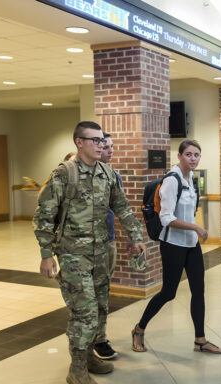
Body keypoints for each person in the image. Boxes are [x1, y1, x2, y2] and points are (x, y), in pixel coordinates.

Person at [33, 121, 145, 384]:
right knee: (84, 313)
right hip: (73, 256)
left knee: (101, 308)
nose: (101, 145)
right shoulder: (64, 175)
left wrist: (136, 236)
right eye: (94, 140)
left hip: (101, 252)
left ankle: (91, 356)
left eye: (102, 140)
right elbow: (44, 216)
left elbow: (122, 207)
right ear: (79, 142)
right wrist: (46, 254)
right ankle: (77, 368)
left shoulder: (106, 173)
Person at [132, 139, 221, 355]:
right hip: (173, 244)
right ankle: (139, 329)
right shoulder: (172, 180)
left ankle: (200, 340)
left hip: (191, 245)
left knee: (198, 291)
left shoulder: (191, 178)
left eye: (196, 155)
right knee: (168, 292)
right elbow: (166, 218)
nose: (193, 158)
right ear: (180, 156)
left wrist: (193, 231)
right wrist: (195, 227)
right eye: (189, 154)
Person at [92, 132, 122, 360]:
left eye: (112, 146)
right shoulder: (71, 173)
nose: (110, 150)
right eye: (106, 146)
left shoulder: (113, 175)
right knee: (87, 295)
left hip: (108, 241)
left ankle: (99, 338)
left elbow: (120, 207)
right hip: (81, 247)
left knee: (103, 291)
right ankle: (91, 338)